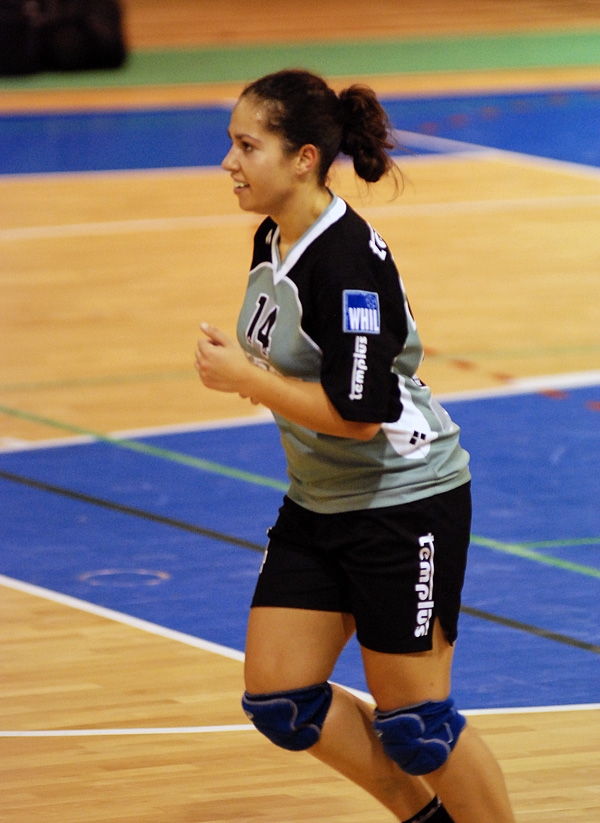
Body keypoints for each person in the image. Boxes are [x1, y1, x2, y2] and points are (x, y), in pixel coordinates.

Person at [195, 69, 515, 823]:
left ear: (303, 157)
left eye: (248, 145)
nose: (229, 162)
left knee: (418, 725)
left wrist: (248, 379)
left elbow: (359, 413)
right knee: (281, 697)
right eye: (231, 143)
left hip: (404, 502)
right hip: (321, 498)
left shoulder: (346, 265)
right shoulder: (273, 236)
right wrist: (257, 376)